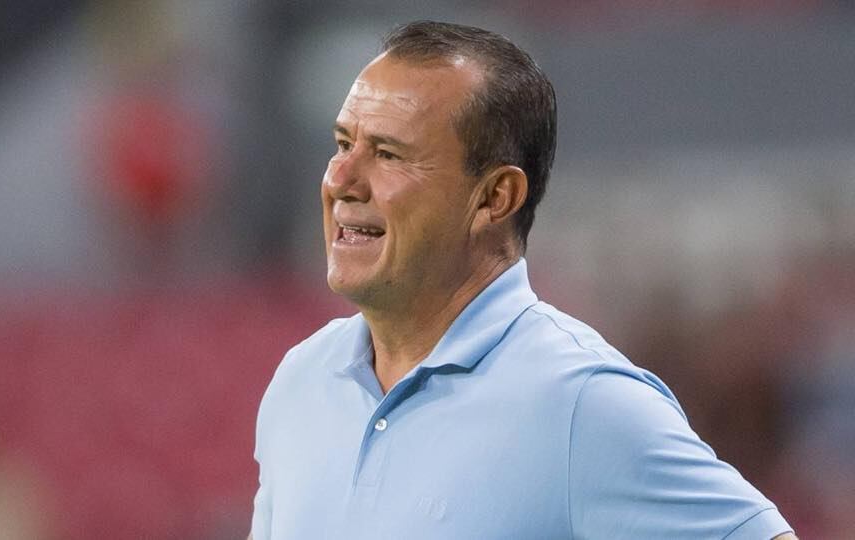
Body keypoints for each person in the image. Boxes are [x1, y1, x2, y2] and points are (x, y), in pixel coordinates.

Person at [250, 20, 797, 539]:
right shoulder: (302, 379)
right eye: (344, 144)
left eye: (389, 154)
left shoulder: (583, 402)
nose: (340, 180)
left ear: (495, 197)